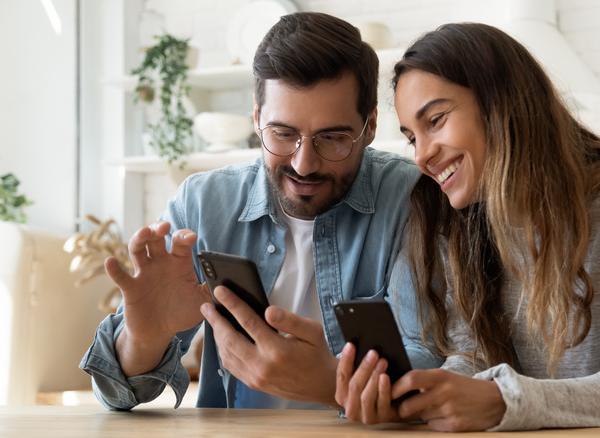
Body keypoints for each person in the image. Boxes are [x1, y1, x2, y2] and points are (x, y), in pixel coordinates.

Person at [335, 22, 600, 431]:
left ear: (500, 103)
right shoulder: (467, 224)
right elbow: (473, 358)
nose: (421, 156)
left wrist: (501, 400)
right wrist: (426, 395)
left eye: (436, 120)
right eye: (412, 138)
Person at [79, 11, 440, 411]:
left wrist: (330, 381)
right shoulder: (201, 204)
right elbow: (117, 395)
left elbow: (433, 364)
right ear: (256, 118)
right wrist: (143, 339)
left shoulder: (414, 199)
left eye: (332, 138)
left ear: (369, 126)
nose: (304, 164)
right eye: (283, 134)